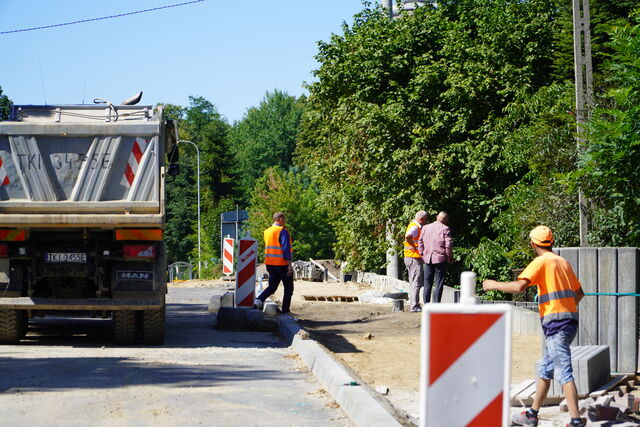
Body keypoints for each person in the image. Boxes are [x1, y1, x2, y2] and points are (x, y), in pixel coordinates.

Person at [483, 225, 585, 427]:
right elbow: (579, 293)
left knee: (564, 371)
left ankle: (575, 420)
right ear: (552, 242)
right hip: (569, 321)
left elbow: (519, 287)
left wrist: (493, 284)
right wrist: (565, 307)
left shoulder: (540, 262)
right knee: (546, 369)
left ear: (533, 244)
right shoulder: (563, 262)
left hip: (556, 324)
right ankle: (531, 414)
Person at [255, 212, 293, 314]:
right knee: (288, 288)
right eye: (284, 219)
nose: (285, 221)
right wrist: (289, 265)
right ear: (280, 219)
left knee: (272, 287)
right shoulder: (283, 231)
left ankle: (259, 300)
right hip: (282, 264)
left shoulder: (267, 231)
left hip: (270, 264)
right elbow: (286, 249)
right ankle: (285, 311)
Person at [418, 211, 452, 303]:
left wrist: (422, 254)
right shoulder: (445, 228)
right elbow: (448, 245)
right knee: (438, 283)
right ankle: (436, 306)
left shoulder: (425, 227)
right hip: (441, 259)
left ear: (437, 217)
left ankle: (427, 305)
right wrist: (449, 257)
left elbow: (420, 242)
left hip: (428, 259)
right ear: (446, 220)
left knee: (427, 283)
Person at [404, 210, 428, 312]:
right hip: (413, 258)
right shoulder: (415, 227)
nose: (426, 222)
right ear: (421, 219)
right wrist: (414, 247)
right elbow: (407, 236)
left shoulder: (415, 226)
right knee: (416, 282)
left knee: (413, 282)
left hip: (411, 257)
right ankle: (414, 306)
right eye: (426, 220)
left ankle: (414, 304)